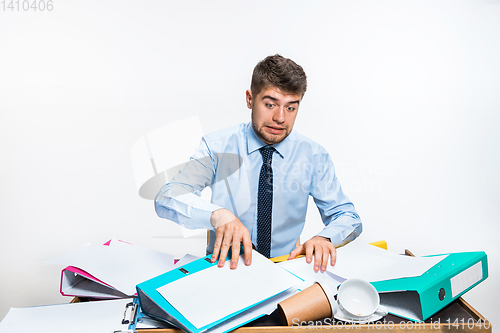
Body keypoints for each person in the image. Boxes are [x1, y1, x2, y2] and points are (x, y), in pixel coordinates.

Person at [155, 54, 362, 272]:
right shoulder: (216, 147)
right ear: (250, 99)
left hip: (286, 271)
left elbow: (348, 217)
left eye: (291, 107)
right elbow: (166, 197)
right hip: (225, 270)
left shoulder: (313, 156)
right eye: (270, 104)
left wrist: (326, 238)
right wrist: (216, 215)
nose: (280, 118)